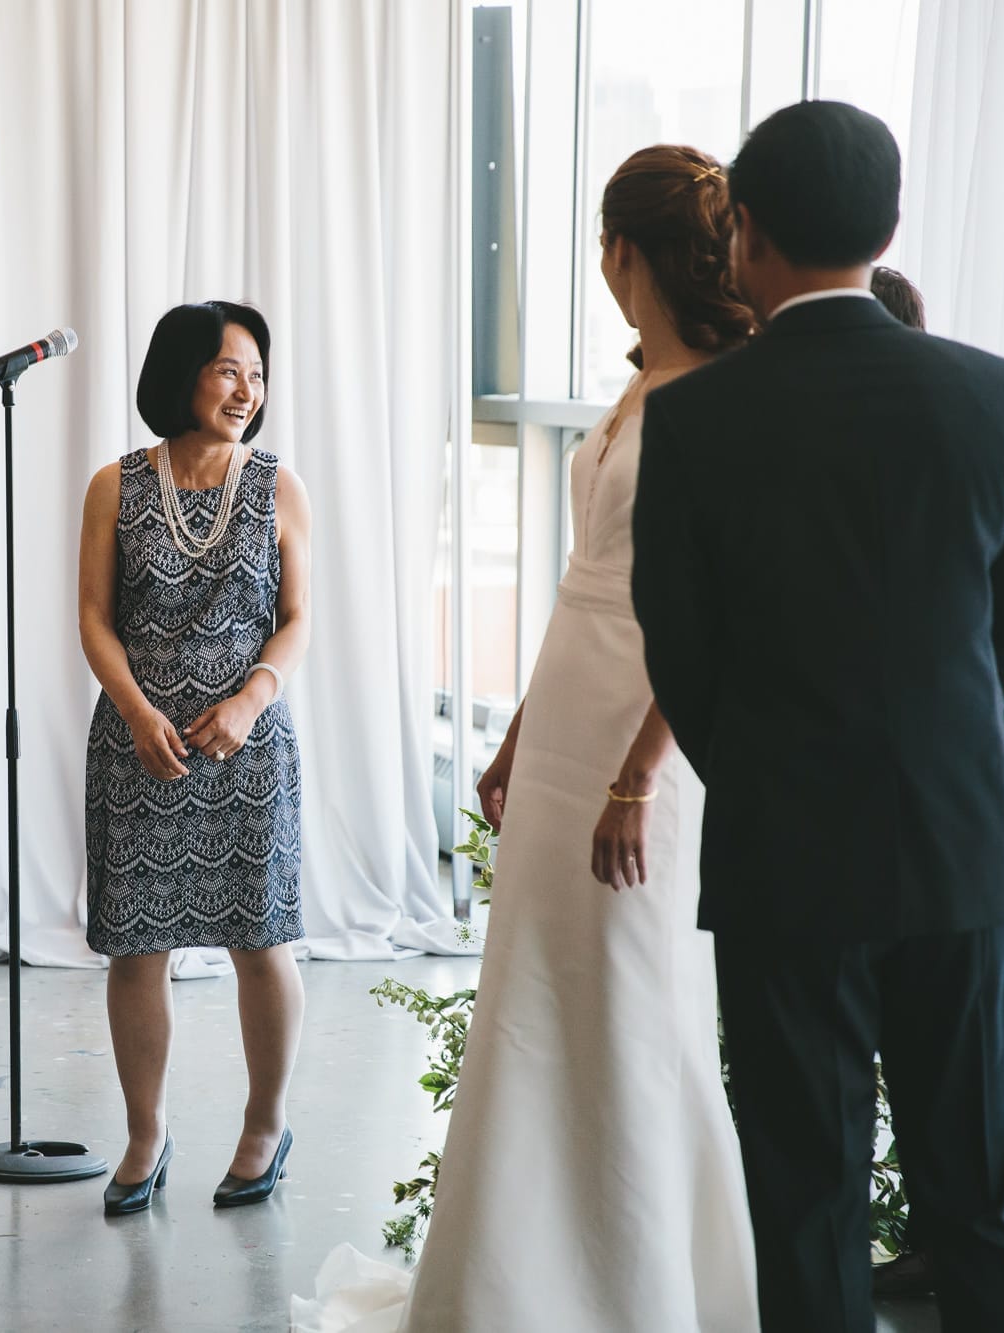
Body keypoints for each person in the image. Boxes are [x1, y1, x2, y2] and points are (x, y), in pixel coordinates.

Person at [299, 146, 761, 1332]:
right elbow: (581, 586)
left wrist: (634, 775)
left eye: (603, 245)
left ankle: (644, 1288)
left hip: (638, 750)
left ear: (623, 250)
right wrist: (514, 735)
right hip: (563, 725)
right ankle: (525, 1278)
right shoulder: (634, 384)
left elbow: (711, 616)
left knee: (627, 997)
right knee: (537, 997)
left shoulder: (719, 392)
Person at [631, 101, 1004, 1333]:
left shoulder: (696, 417)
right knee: (978, 1198)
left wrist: (764, 763)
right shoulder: (986, 391)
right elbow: (998, 628)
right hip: (954, 838)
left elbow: (679, 643)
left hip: (781, 850)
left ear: (744, 233)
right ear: (889, 224)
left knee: (805, 1198)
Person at [865, 265, 1004, 1328]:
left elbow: (998, 610)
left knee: (979, 1027)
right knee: (933, 1021)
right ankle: (942, 1237)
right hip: (931, 765)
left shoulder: (932, 440)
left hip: (961, 763)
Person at [78, 300, 311, 1214]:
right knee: (138, 949)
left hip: (248, 748)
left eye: (256, 373)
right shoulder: (116, 484)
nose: (246, 390)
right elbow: (94, 619)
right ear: (181, 373)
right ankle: (145, 1133)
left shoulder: (279, 485)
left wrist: (252, 701)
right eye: (227, 369)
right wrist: (136, 712)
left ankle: (265, 1124)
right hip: (142, 746)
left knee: (262, 939)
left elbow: (296, 619)